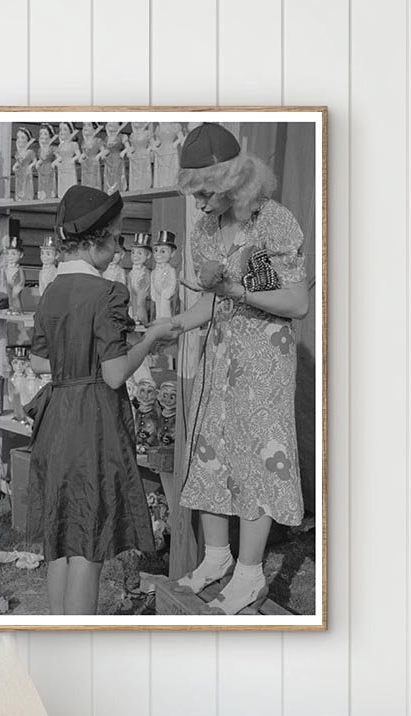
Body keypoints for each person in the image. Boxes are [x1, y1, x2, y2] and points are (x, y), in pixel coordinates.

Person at [159, 123, 310, 615]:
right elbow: (211, 304)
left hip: (263, 361)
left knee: (259, 462)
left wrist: (239, 292)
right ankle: (216, 557)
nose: (200, 206)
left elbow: (295, 302)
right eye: (196, 195)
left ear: (232, 185)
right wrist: (176, 323)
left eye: (206, 194)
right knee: (211, 453)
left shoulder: (271, 223)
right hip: (221, 355)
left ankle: (249, 574)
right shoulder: (207, 228)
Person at [26, 185, 169, 615]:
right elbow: (114, 373)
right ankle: (81, 643)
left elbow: (36, 362)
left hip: (55, 421)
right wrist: (151, 338)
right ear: (95, 240)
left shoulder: (53, 290)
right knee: (89, 543)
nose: (120, 252)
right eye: (117, 240)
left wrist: (72, 361)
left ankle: (57, 636)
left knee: (62, 539)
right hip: (92, 422)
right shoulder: (107, 293)